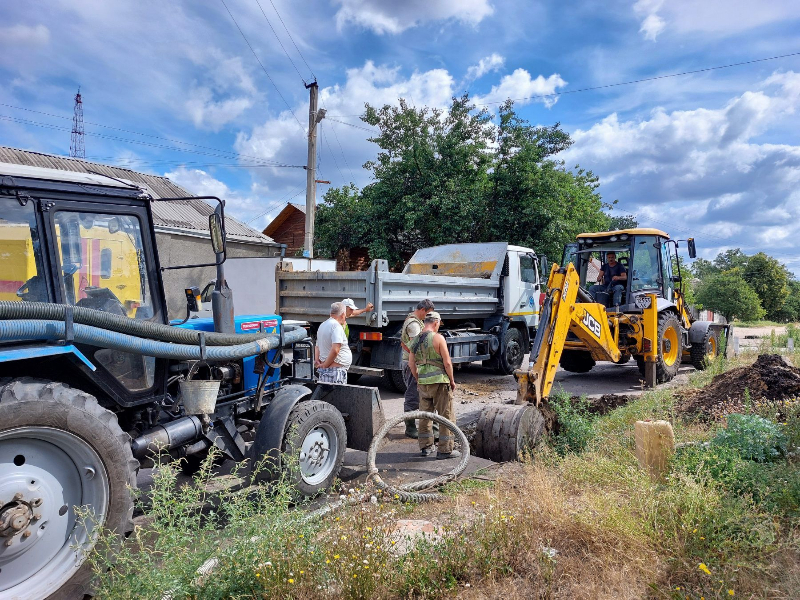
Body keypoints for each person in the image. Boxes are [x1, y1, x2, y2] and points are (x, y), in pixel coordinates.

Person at [408, 312, 459, 459]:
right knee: (446, 416)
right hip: (440, 382)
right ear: (436, 322)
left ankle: (425, 447)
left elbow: (411, 364)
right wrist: (452, 380)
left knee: (425, 416)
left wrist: (419, 379)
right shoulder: (438, 338)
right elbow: (447, 363)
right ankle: (445, 450)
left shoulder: (415, 340)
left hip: (424, 384)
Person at [400, 299, 436, 439]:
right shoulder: (414, 324)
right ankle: (410, 428)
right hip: (412, 363)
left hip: (413, 362)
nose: (428, 318)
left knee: (418, 394)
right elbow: (416, 348)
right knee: (413, 395)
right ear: (422, 310)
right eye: (428, 314)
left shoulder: (414, 320)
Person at [314, 302, 352, 384]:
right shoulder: (336, 326)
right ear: (343, 314)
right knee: (336, 396)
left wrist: (317, 360)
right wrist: (325, 365)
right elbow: (335, 350)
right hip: (335, 372)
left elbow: (317, 347)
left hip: (328, 370)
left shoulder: (322, 325)